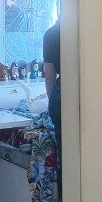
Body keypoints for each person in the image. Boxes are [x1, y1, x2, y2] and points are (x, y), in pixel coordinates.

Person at [42, 19, 62, 179]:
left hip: (60, 92)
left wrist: (51, 97)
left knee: (65, 152)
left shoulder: (51, 34)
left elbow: (49, 75)